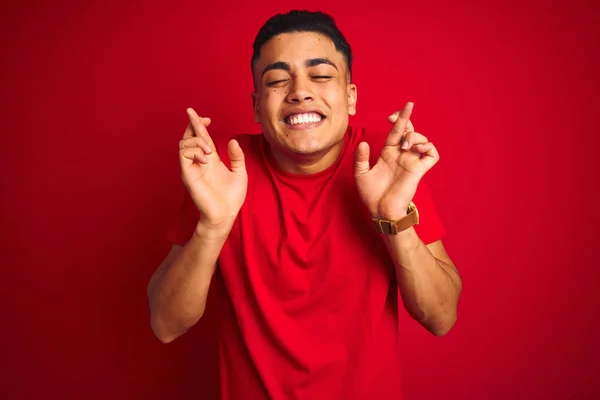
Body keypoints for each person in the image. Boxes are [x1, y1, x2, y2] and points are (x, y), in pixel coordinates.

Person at [147, 9, 462, 400]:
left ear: (350, 97)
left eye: (321, 75)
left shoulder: (388, 161)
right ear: (257, 105)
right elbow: (165, 323)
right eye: (278, 80)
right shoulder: (223, 169)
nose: (300, 91)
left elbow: (441, 316)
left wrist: (393, 216)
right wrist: (212, 227)